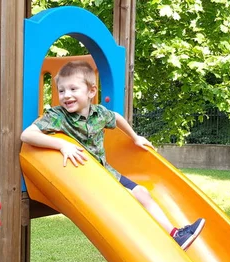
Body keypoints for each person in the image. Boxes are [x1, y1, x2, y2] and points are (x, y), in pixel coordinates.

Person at [20, 61, 205, 250]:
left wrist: (135, 137)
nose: (66, 95)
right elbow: (27, 135)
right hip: (85, 179)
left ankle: (175, 235)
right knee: (126, 200)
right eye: (61, 91)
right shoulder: (58, 116)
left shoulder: (99, 113)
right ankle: (156, 243)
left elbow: (116, 117)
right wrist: (62, 145)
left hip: (105, 172)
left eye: (73, 89)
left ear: (91, 91)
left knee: (142, 192)